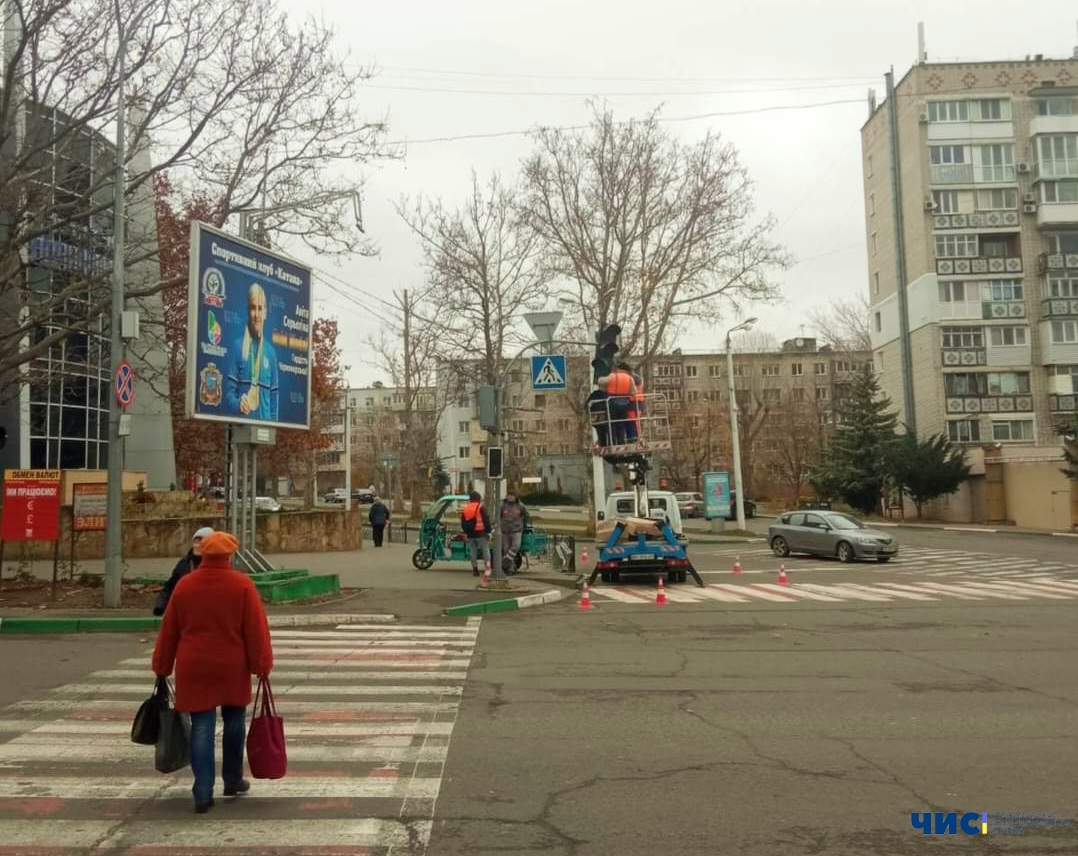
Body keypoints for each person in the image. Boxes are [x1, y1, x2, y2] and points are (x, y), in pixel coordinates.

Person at [151, 531, 274, 814]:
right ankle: (232, 780)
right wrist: (262, 665)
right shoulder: (242, 585)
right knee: (234, 722)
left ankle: (202, 792)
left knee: (202, 727)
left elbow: (169, 631)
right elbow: (256, 630)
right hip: (232, 665)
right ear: (230, 555)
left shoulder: (185, 586)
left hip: (194, 666)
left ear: (202, 554)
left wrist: (161, 665)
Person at [225, 283, 279, 421]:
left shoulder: (271, 353)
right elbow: (228, 395)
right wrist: (238, 404)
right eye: (253, 308)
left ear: (265, 312)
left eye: (260, 309)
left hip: (264, 434)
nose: (256, 314)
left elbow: (274, 399)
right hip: (242, 431)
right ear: (248, 311)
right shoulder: (238, 347)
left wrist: (273, 428)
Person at [153, 526, 214, 616]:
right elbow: (170, 586)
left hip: (208, 613)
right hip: (186, 612)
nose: (197, 546)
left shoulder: (215, 565)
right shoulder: (184, 563)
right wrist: (160, 605)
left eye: (202, 542)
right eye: (196, 541)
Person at [595, 364, 638, 443]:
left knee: (612, 424)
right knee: (621, 424)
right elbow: (634, 392)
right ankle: (621, 442)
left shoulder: (613, 376)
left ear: (618, 369)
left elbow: (600, 381)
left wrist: (600, 376)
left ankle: (613, 442)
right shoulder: (630, 378)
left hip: (612, 402)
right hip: (625, 404)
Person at [460, 490, 492, 576]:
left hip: (470, 534)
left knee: (473, 552)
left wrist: (466, 532)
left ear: (470, 499)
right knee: (486, 552)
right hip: (481, 533)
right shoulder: (481, 507)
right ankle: (487, 569)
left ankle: (475, 568)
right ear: (478, 499)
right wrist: (489, 531)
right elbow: (486, 519)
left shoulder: (466, 509)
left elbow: (463, 522)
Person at [499, 491, 531, 573]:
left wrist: (525, 525)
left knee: (516, 546)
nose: (510, 497)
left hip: (517, 531)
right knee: (506, 549)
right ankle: (510, 568)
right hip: (505, 531)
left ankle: (504, 561)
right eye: (509, 496)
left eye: (512, 496)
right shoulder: (502, 506)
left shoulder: (521, 506)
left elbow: (526, 516)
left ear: (516, 497)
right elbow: (498, 516)